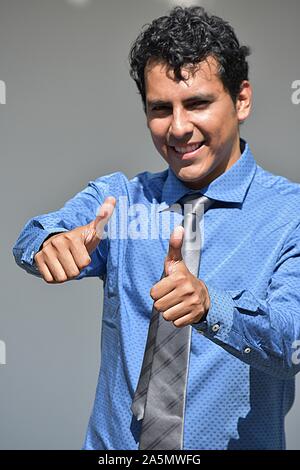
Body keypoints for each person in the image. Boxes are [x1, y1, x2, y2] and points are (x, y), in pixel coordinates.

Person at [12, 5, 300, 450]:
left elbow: (291, 342)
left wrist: (210, 306)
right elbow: (31, 239)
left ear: (241, 99)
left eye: (198, 103)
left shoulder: (290, 215)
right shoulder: (120, 201)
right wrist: (50, 244)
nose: (179, 128)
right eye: (161, 108)